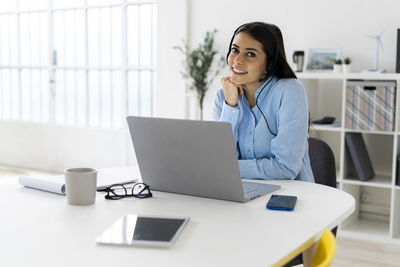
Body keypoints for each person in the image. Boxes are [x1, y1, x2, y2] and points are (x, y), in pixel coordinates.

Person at [213, 22, 314, 183]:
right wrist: (230, 107)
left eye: (251, 54)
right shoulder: (223, 96)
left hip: (290, 194)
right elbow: (219, 157)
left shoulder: (290, 91)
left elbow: (286, 168)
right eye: (235, 50)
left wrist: (226, 168)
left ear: (270, 63)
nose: (237, 60)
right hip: (241, 192)